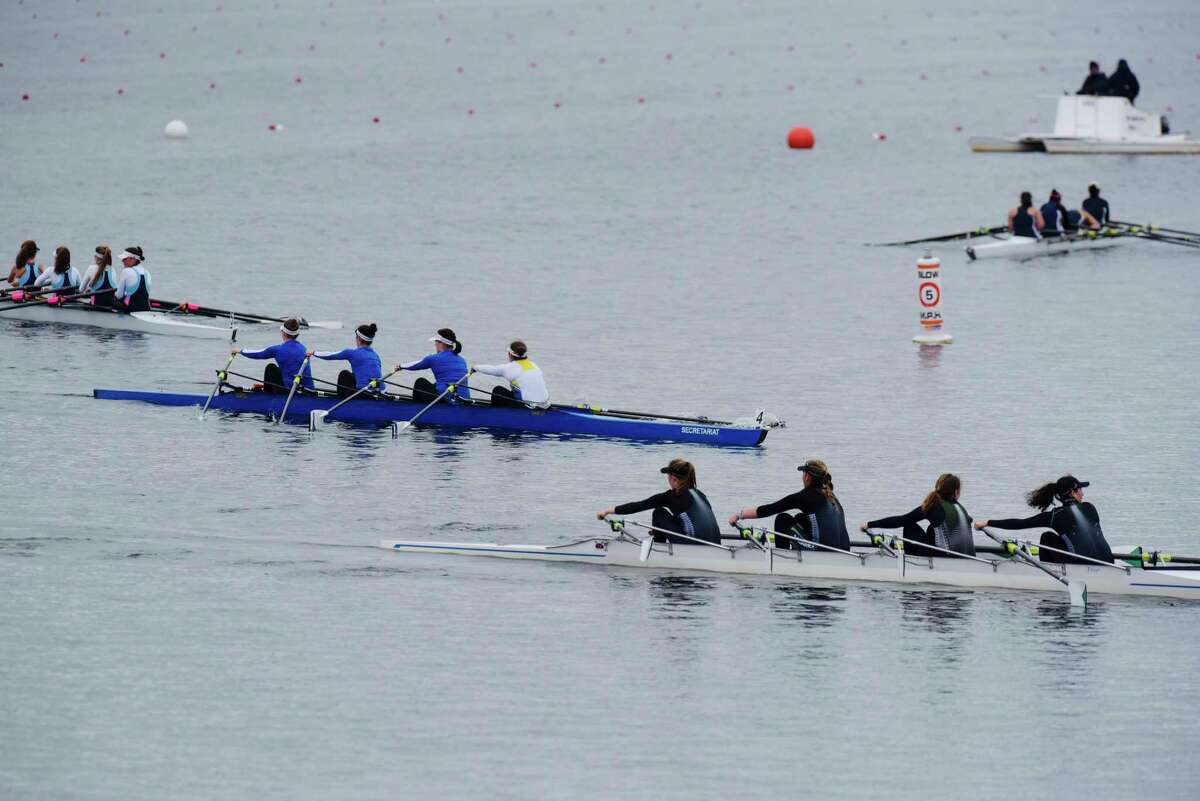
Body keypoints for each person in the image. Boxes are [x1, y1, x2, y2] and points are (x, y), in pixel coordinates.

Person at [975, 475, 1113, 564]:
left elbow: (1020, 523)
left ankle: (1049, 573)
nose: (1082, 493)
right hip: (1109, 562)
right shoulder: (1090, 507)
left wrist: (988, 522)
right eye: (1080, 490)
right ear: (1072, 492)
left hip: (1082, 565)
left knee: (1047, 537)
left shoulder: (1054, 516)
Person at [728, 459, 850, 550]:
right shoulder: (831, 496)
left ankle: (782, 559)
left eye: (803, 474)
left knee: (783, 519)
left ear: (807, 476)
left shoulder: (806, 496)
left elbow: (770, 509)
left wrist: (739, 515)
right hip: (845, 552)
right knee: (800, 518)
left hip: (823, 553)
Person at [596, 459, 721, 545]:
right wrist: (659, 529)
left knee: (659, 512)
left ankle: (658, 548)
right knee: (673, 518)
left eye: (668, 476)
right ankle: (659, 535)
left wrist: (607, 511)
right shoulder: (699, 494)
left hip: (695, 546)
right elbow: (692, 520)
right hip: (716, 544)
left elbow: (639, 505)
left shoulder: (671, 496)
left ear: (673, 478)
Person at [860, 473, 976, 556]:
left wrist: (869, 524)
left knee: (909, 525)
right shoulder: (962, 510)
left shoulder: (934, 506)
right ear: (956, 492)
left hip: (945, 558)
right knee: (932, 529)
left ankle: (912, 563)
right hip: (968, 557)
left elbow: (901, 520)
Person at [234, 317, 315, 394]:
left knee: (271, 368)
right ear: (297, 334)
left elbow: (258, 354)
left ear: (283, 333)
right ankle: (268, 388)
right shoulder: (304, 349)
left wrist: (240, 351)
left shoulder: (278, 350)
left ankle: (268, 396)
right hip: (308, 390)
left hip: (291, 391)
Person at [397, 328, 471, 402]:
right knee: (435, 385)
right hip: (464, 398)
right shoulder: (461, 360)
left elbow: (415, 365)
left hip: (446, 398)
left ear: (441, 343)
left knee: (420, 382)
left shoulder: (434, 358)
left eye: (436, 342)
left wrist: (401, 366)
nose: (435, 344)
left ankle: (415, 408)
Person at [310, 323, 383, 398]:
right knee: (354, 375)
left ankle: (341, 400)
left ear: (359, 339)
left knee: (344, 374)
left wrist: (313, 353)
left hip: (363, 393)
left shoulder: (352, 353)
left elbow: (331, 355)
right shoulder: (376, 356)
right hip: (380, 392)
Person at [472, 340, 549, 408]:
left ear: (510, 354)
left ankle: (496, 415)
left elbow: (491, 369)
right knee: (516, 390)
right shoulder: (534, 365)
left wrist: (475, 367)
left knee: (498, 390)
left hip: (527, 406)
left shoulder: (509, 368)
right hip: (544, 404)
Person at [113, 246, 151, 312]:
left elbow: (119, 296)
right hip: (146, 309)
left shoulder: (126, 271)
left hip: (130, 309)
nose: (122, 261)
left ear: (133, 259)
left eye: (124, 259)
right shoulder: (147, 272)